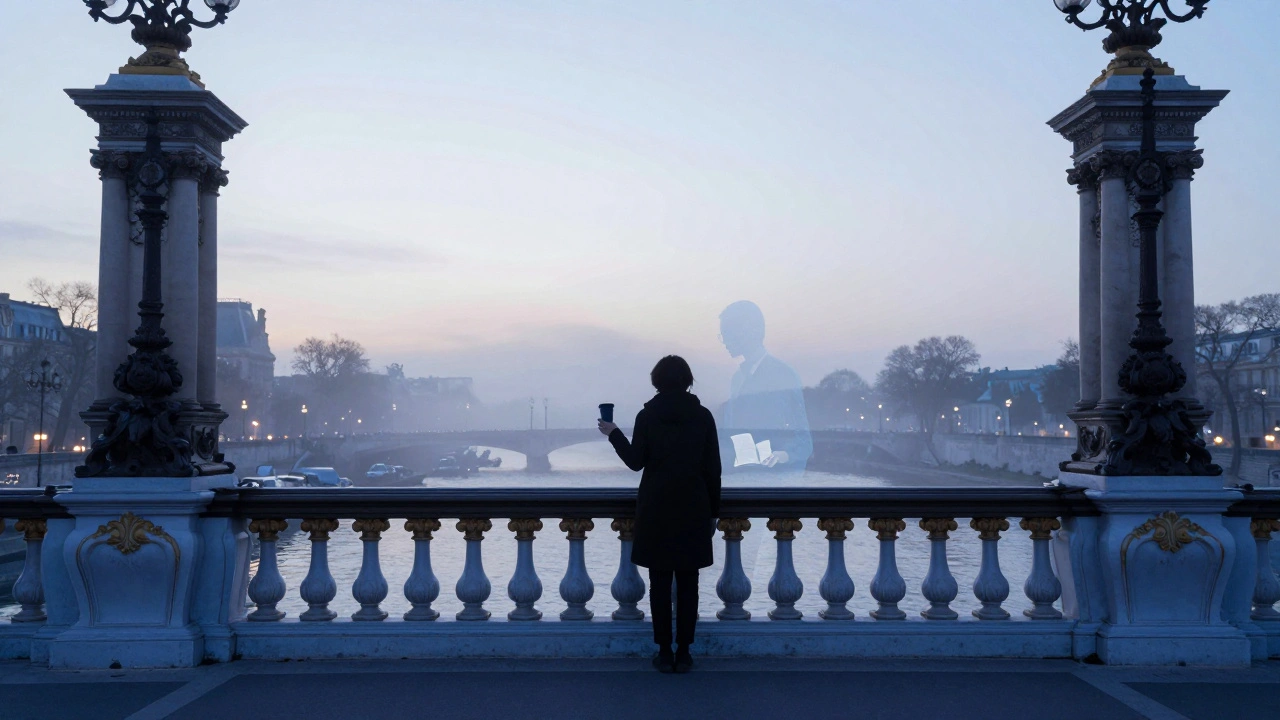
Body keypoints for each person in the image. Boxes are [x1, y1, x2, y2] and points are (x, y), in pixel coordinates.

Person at [599, 355, 721, 674]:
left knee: (660, 582)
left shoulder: (647, 416)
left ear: (656, 382)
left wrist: (613, 433)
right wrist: (713, 513)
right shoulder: (704, 417)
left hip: (657, 508)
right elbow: (713, 470)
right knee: (689, 583)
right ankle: (684, 652)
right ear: (688, 381)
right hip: (693, 507)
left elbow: (635, 461)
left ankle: (664, 651)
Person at [717, 300, 812, 472]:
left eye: (727, 334)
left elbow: (804, 441)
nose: (724, 341)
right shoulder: (738, 378)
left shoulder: (784, 376)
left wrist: (783, 456)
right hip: (742, 477)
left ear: (748, 332)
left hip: (769, 479)